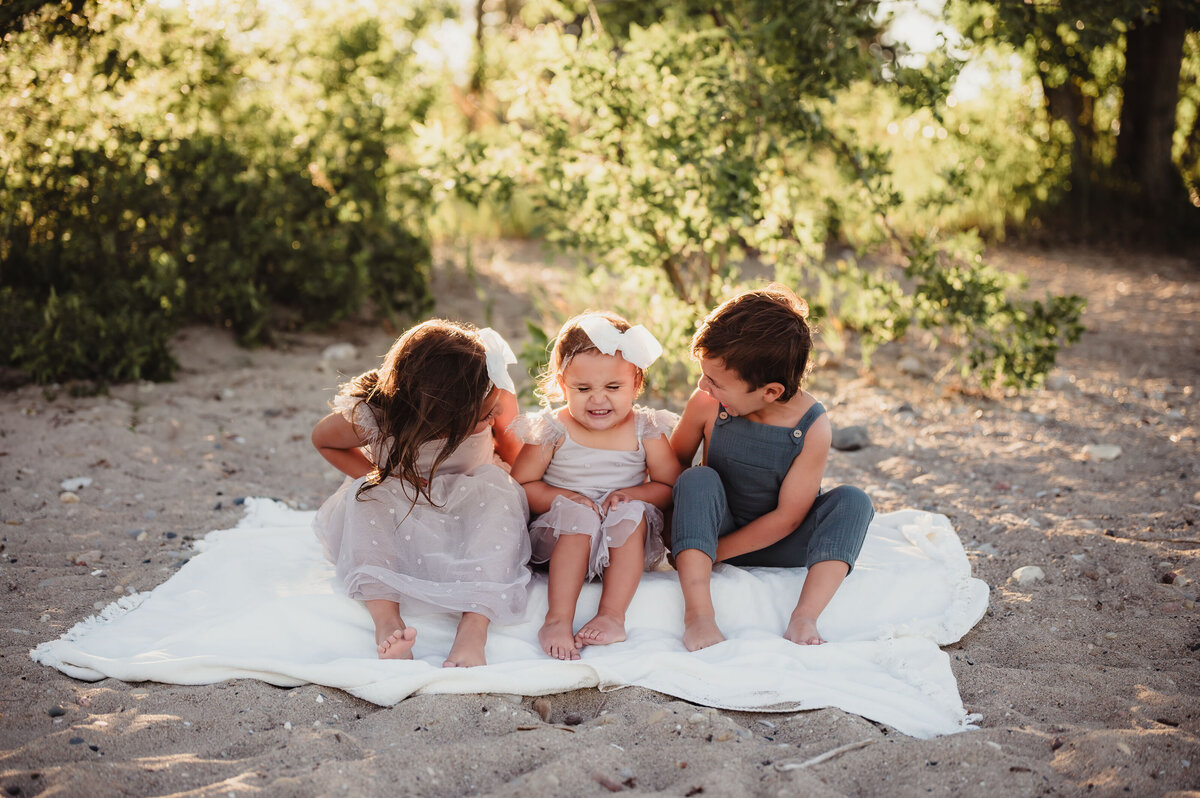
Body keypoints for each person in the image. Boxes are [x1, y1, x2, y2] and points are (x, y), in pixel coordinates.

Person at [311, 320, 531, 668]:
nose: (498, 414)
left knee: (502, 498)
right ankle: (387, 620)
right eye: (486, 414)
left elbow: (515, 453)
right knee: (365, 497)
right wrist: (378, 475)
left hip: (473, 494)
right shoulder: (379, 413)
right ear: (444, 415)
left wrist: (521, 500)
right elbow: (323, 439)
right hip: (406, 500)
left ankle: (474, 627)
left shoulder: (493, 389)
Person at [669, 285, 874, 651]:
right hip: (715, 527)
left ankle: (804, 616)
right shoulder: (706, 404)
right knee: (697, 478)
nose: (703, 385)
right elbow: (672, 469)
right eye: (704, 375)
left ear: (771, 392)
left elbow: (789, 518)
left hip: (781, 542)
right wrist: (683, 536)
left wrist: (713, 553)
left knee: (854, 501)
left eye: (715, 382)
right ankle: (699, 616)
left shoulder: (812, 426)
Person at [510, 311, 681, 660]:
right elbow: (521, 484)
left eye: (613, 388)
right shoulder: (554, 429)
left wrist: (633, 494)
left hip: (623, 543)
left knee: (629, 512)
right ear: (562, 385)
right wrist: (565, 498)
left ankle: (612, 615)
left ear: (636, 383)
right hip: (562, 540)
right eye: (583, 389)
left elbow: (668, 485)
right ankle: (557, 619)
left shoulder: (645, 429)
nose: (598, 399)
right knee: (578, 516)